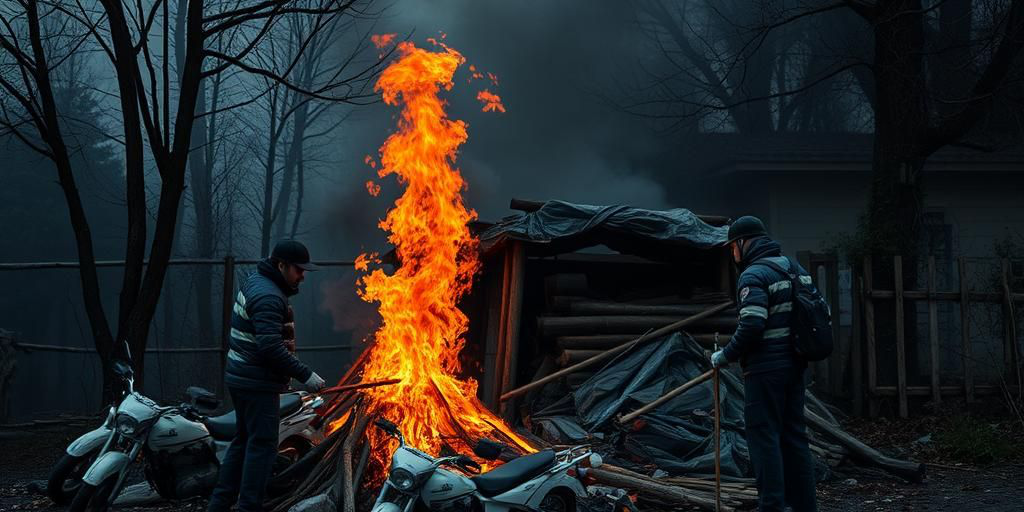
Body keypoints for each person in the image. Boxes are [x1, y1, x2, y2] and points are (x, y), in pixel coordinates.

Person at [207, 240, 327, 512]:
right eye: (298, 269)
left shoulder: (257, 280)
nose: (303, 275)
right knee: (262, 446)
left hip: (241, 376)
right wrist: (306, 375)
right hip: (255, 383)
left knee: (243, 440)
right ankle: (249, 507)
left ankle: (220, 503)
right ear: (281, 265)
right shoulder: (269, 297)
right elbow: (270, 346)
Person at [711, 216, 817, 512]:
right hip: (796, 367)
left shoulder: (753, 274)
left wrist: (725, 355)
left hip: (765, 370)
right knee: (794, 436)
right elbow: (823, 313)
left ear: (743, 243)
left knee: (764, 438)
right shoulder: (795, 269)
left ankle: (771, 505)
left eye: (732, 247)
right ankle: (805, 506)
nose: (732, 254)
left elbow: (753, 325)